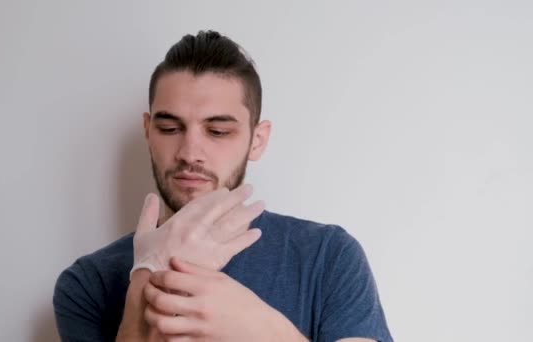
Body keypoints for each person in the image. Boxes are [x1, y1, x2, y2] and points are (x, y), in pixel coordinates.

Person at [53, 30, 393, 342]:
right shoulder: (88, 283)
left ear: (257, 140)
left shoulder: (327, 257)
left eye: (217, 132)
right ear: (147, 131)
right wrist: (145, 280)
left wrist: (260, 328)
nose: (190, 153)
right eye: (170, 128)